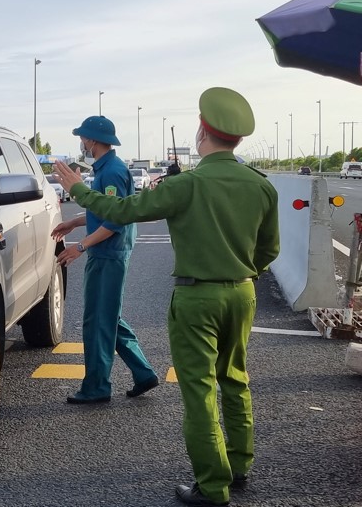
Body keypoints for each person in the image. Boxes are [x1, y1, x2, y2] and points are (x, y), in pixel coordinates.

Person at [53, 88, 280, 507]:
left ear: (202, 132)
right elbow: (269, 252)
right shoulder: (261, 186)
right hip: (243, 294)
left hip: (198, 297)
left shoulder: (187, 185)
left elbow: (122, 213)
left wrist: (77, 190)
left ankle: (212, 486)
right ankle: (239, 464)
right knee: (235, 380)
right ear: (239, 139)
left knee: (199, 390)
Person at [51, 115, 159, 405]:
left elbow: (114, 221)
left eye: (83, 138)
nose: (82, 142)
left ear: (93, 140)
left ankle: (97, 387)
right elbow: (102, 210)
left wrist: (80, 247)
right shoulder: (107, 169)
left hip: (107, 253)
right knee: (109, 315)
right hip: (108, 252)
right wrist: (74, 223)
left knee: (98, 320)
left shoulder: (111, 172)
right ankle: (143, 372)